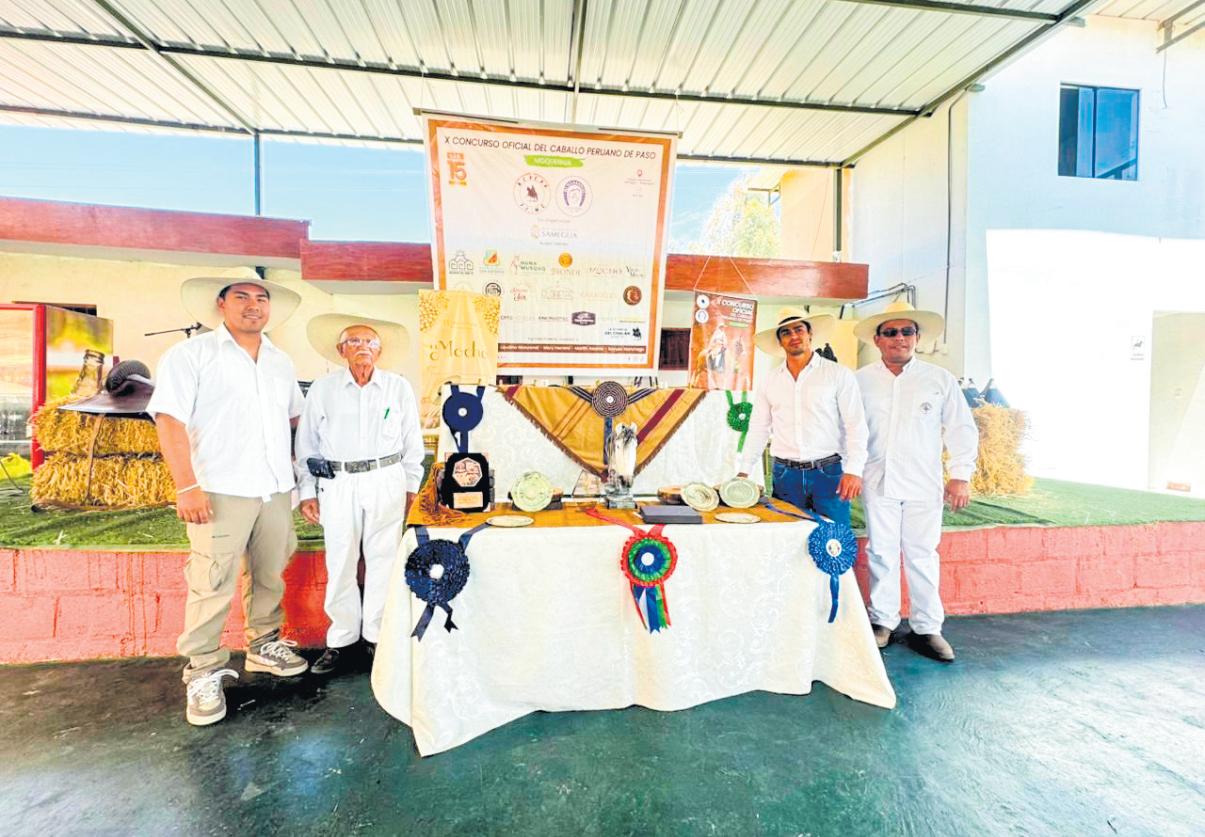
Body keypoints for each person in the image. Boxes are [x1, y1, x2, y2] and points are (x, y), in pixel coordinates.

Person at [148, 275, 309, 727]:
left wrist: (300, 478)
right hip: (219, 487)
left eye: (261, 298)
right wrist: (187, 486)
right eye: (241, 296)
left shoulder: (280, 361)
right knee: (212, 578)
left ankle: (263, 645)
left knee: (270, 569)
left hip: (274, 487)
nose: (253, 305)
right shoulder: (191, 355)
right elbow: (169, 421)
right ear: (221, 304)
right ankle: (202, 670)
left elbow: (294, 420)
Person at [295, 314, 424, 675]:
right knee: (341, 560)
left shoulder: (398, 388)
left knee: (383, 559)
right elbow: (306, 444)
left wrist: (410, 487)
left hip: (386, 478)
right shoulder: (323, 390)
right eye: (354, 341)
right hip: (338, 482)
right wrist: (307, 491)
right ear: (341, 351)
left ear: (379, 351)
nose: (363, 347)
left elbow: (412, 443)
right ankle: (341, 639)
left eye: (370, 342)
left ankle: (376, 637)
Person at [854, 301, 979, 662]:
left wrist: (960, 475)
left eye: (907, 331)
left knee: (922, 554)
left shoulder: (939, 379)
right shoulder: (860, 381)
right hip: (877, 479)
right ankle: (883, 621)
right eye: (891, 332)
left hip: (924, 481)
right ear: (877, 339)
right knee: (881, 552)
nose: (900, 338)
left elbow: (960, 428)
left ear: (917, 337)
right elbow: (849, 429)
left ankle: (927, 628)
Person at [738, 307, 868, 529]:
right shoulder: (770, 381)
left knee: (834, 538)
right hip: (785, 475)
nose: (794, 336)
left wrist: (854, 470)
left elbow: (855, 424)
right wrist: (744, 469)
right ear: (780, 342)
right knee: (788, 538)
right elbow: (759, 427)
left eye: (799, 329)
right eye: (786, 332)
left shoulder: (838, 374)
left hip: (828, 472)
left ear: (810, 334)